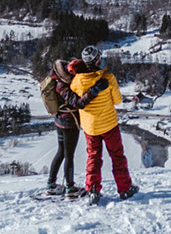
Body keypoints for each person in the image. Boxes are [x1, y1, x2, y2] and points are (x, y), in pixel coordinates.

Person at [69, 45, 138, 203]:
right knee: (117, 156)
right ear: (97, 59)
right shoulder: (107, 76)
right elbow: (118, 100)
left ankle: (93, 189)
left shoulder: (77, 81)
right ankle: (125, 188)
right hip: (109, 125)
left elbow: (75, 95)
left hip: (90, 127)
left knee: (93, 157)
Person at [39, 58, 108, 197]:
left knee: (61, 152)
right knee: (69, 155)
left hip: (59, 120)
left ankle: (51, 185)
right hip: (69, 123)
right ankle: (70, 188)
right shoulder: (62, 86)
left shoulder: (57, 76)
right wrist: (94, 91)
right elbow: (77, 103)